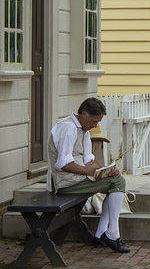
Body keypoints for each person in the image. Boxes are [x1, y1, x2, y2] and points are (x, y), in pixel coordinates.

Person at [47, 97, 129, 253]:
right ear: (83, 114)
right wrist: (90, 172)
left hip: (78, 179)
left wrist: (106, 170)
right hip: (65, 183)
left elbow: (88, 162)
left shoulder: (84, 130)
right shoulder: (68, 128)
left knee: (116, 179)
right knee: (117, 183)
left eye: (97, 122)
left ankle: (102, 234)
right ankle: (110, 234)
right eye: (93, 121)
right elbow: (63, 164)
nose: (95, 126)